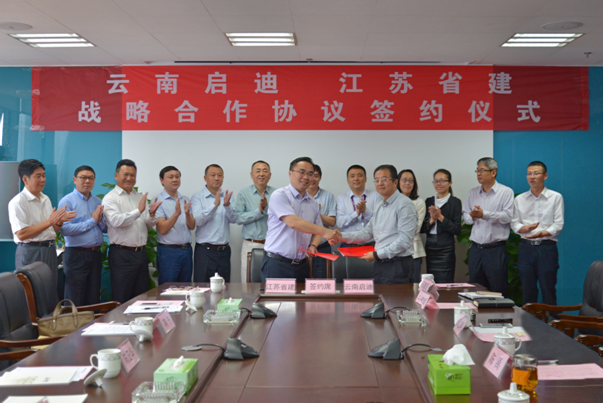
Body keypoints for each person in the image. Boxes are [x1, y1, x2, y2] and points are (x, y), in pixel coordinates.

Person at [262, 157, 341, 283]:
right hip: (277, 264)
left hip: (302, 265)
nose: (306, 177)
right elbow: (293, 222)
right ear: (290, 173)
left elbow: (317, 232)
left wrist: (313, 245)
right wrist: (326, 232)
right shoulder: (280, 195)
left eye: (310, 174)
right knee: (277, 297)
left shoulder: (313, 203)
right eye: (302, 172)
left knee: (301, 297)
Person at [336, 165, 417, 283]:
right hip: (380, 263)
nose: (380, 183)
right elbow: (367, 233)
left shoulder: (404, 204)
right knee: (379, 294)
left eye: (384, 179)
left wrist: (377, 255)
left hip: (398, 264)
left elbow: (405, 241)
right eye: (377, 180)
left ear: (395, 182)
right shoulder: (380, 203)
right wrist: (340, 236)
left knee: (396, 296)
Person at [9, 159, 76, 289]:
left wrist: (59, 221)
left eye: (44, 175)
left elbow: (50, 230)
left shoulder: (45, 199)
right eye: (38, 176)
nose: (43, 179)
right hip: (31, 251)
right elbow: (21, 234)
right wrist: (49, 221)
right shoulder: (18, 202)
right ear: (25, 179)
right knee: (32, 291)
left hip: (49, 250)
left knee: (50, 290)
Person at [103, 159, 161, 304]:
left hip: (141, 254)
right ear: (116, 176)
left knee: (141, 297)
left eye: (133, 175)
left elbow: (148, 224)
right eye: (126, 174)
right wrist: (138, 211)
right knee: (122, 297)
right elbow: (116, 221)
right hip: (122, 255)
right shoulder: (110, 198)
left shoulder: (139, 197)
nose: (129, 178)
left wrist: (152, 213)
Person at [512, 161, 564, 305]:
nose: (532, 177)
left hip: (546, 247)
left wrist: (542, 233)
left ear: (545, 176)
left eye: (536, 173)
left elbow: (558, 225)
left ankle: (550, 319)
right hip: (526, 248)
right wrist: (526, 229)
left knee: (548, 289)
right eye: (529, 173)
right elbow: (514, 223)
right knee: (527, 290)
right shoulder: (519, 199)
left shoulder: (555, 197)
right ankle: (528, 320)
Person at [462, 157, 514, 296]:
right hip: (476, 250)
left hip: (495, 250)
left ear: (493, 172)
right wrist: (473, 216)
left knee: (498, 289)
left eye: (482, 170)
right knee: (476, 290)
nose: (479, 174)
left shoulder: (506, 192)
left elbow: (507, 217)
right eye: (477, 171)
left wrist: (484, 214)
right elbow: (466, 217)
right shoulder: (472, 192)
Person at [58, 165, 107, 306]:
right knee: (75, 297)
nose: (87, 181)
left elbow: (103, 228)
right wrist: (92, 221)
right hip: (76, 255)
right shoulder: (67, 201)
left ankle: (92, 321)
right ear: (75, 179)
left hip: (95, 254)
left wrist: (100, 220)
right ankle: (73, 322)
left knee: (93, 297)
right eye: (83, 178)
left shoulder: (97, 201)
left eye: (91, 178)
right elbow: (65, 230)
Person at [191, 164, 235, 282]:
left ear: (223, 178)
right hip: (205, 251)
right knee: (202, 286)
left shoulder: (228, 196)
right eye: (213, 175)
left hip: (224, 251)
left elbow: (234, 220)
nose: (216, 178)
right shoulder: (197, 197)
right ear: (205, 178)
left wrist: (227, 206)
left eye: (219, 175)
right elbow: (198, 221)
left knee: (224, 287)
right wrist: (215, 205)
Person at [234, 160, 275, 282]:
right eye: (258, 171)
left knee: (271, 282)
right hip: (251, 245)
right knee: (248, 283)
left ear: (270, 175)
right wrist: (259, 211)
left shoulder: (277, 194)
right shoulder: (243, 193)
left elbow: (282, 218)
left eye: (265, 171)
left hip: (273, 245)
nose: (261, 174)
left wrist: (267, 208)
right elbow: (238, 218)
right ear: (251, 175)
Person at [153, 166, 195, 285]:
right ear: (161, 180)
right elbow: (162, 229)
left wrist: (187, 214)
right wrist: (176, 214)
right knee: (167, 288)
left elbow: (192, 226)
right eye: (170, 177)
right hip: (168, 252)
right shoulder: (157, 201)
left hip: (186, 251)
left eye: (177, 177)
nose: (175, 179)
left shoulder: (185, 199)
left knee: (186, 288)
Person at [421, 169, 462, 284]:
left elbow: (457, 229)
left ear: (450, 183)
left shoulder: (455, 202)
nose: (438, 184)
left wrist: (440, 217)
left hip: (446, 248)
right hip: (430, 247)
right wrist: (432, 220)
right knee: (431, 282)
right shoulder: (429, 201)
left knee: (446, 282)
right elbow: (422, 228)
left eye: (442, 181)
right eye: (436, 181)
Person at [336, 165, 379, 247]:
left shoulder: (376, 196)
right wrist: (356, 213)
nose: (356, 178)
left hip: (370, 244)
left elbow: (379, 221)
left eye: (360, 175)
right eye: (352, 176)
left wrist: (365, 211)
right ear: (348, 180)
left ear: (365, 179)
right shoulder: (341, 198)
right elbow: (339, 223)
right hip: (348, 245)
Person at [306, 164, 337, 278]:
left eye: (315, 176)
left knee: (321, 281)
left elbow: (332, 222)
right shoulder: (297, 196)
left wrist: (316, 214)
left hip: (322, 247)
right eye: (310, 175)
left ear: (320, 177)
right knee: (300, 283)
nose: (312, 179)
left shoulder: (328, 196)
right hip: (302, 247)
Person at [397, 169, 426, 283]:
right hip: (394, 251)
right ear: (397, 182)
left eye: (411, 181)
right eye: (404, 180)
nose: (407, 183)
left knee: (413, 286)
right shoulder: (392, 201)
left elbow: (416, 228)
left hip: (414, 251)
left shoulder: (419, 202)